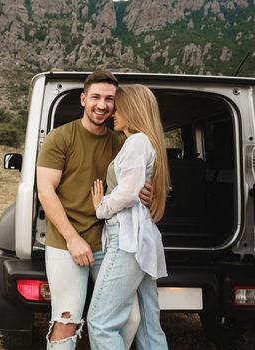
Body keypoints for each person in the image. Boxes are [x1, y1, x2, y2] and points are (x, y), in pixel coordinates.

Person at [36, 71, 151, 350]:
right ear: (83, 99)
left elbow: (130, 186)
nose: (102, 105)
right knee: (67, 319)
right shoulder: (60, 137)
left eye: (109, 99)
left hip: (110, 243)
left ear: (117, 104)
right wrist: (72, 238)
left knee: (131, 318)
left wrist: (145, 192)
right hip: (66, 242)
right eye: (96, 97)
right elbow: (45, 191)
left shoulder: (121, 143)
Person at [88, 84, 170, 350]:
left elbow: (128, 193)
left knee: (101, 322)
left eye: (119, 107)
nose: (113, 112)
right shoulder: (143, 141)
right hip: (140, 236)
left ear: (132, 109)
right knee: (148, 325)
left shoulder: (137, 142)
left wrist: (102, 206)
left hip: (127, 239)